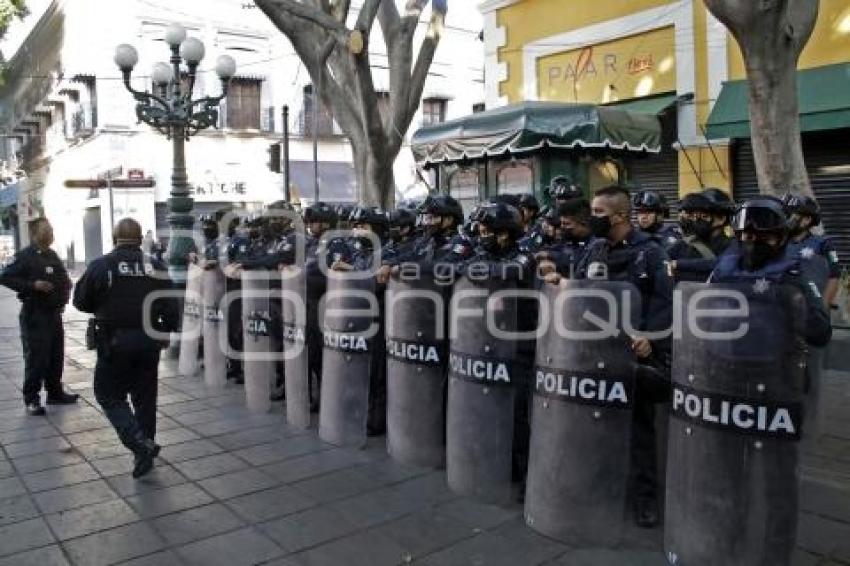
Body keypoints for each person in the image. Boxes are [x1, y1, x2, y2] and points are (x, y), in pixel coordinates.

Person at [580, 185, 673, 528]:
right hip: (595, 349)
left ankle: (644, 499)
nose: (592, 219)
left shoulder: (650, 253)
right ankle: (602, 486)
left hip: (635, 353)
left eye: (599, 213)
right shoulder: (594, 249)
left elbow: (667, 303)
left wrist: (651, 339)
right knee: (596, 423)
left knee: (639, 429)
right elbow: (579, 291)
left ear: (620, 216)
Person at [73, 218, 179, 478]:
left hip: (114, 342)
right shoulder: (155, 265)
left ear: (114, 236)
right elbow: (172, 305)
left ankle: (139, 442)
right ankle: (144, 452)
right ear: (140, 237)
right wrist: (166, 331)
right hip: (148, 341)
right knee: (145, 398)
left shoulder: (102, 265)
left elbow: (81, 302)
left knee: (108, 395)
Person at [711, 196, 831, 348]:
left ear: (781, 239)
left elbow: (821, 333)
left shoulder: (792, 274)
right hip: (726, 360)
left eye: (763, 237)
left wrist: (791, 301)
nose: (753, 242)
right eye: (748, 236)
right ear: (738, 236)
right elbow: (703, 316)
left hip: (775, 364)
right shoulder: (724, 270)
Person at [0, 217, 76, 415]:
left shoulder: (52, 254)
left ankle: (55, 393)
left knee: (55, 355)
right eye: (47, 230)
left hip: (54, 314)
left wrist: (64, 297)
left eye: (51, 230)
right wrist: (32, 285)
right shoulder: (25, 256)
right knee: (36, 358)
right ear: (35, 234)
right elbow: (5, 276)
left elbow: (63, 279)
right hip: (35, 315)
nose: (51, 233)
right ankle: (31, 399)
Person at [782, 193, 841, 307]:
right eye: (785, 214)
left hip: (811, 311)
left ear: (807, 220)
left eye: (791, 215)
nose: (786, 219)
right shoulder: (778, 243)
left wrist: (822, 308)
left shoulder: (823, 244)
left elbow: (834, 277)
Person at [668, 192, 731, 283]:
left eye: (704, 216)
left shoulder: (732, 245)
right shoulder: (684, 245)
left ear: (721, 219)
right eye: (694, 216)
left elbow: (722, 263)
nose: (696, 220)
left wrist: (678, 264)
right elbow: (661, 261)